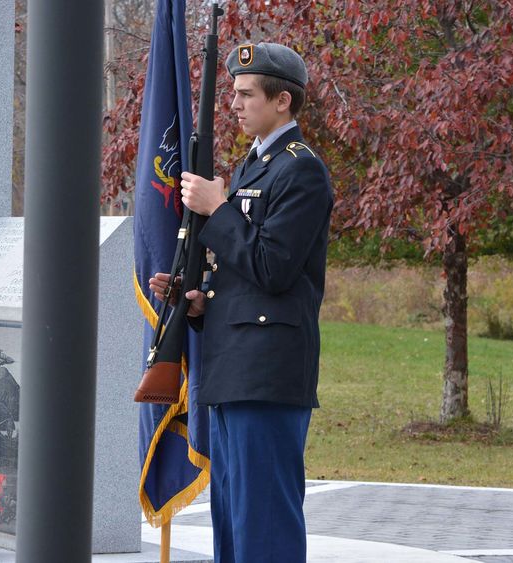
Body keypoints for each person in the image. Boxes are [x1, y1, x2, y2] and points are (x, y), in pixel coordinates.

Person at [149, 42, 333, 563]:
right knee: (232, 518)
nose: (234, 103)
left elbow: (274, 267)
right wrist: (202, 303)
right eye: (232, 93)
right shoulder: (257, 166)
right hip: (234, 366)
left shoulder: (301, 169)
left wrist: (219, 207)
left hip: (268, 372)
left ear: (283, 102)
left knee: (263, 521)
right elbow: (245, 274)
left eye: (246, 94)